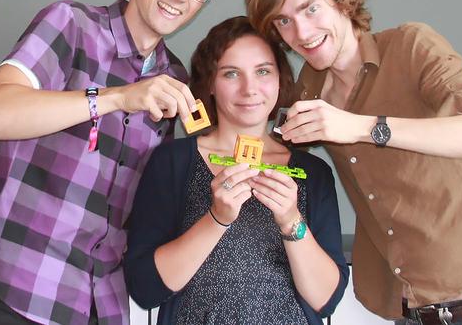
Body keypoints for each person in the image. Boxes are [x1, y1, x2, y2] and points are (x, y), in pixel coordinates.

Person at [245, 0, 462, 325]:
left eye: (310, 8)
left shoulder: (412, 45)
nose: (302, 33)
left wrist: (360, 126)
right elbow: (262, 133)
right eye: (283, 21)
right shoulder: (310, 87)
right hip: (413, 313)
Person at [0, 0, 227, 325]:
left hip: (101, 306)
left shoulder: (176, 80)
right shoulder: (71, 26)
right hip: (14, 292)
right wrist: (115, 97)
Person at [123, 16, 349, 325]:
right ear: (211, 85)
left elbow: (325, 301)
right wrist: (216, 219)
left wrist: (291, 221)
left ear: (280, 79)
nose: (249, 88)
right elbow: (145, 288)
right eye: (231, 74)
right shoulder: (172, 162)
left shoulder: (311, 172)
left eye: (263, 71)